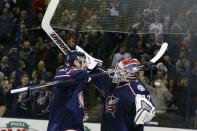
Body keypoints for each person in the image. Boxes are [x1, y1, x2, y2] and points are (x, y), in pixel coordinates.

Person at [91, 58, 155, 131]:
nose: (116, 72)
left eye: (119, 70)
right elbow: (93, 70)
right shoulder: (110, 82)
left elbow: (149, 113)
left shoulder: (136, 87)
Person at [47, 51, 91, 131]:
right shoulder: (64, 72)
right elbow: (62, 76)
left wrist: (83, 110)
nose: (87, 65)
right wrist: (85, 74)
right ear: (76, 63)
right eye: (84, 62)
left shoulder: (79, 80)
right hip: (61, 124)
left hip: (74, 124)